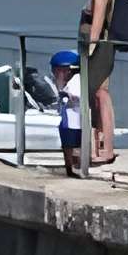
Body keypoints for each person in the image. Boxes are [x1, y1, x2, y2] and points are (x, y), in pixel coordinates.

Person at [77, 0, 121, 168]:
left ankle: (103, 149)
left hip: (99, 46)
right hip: (100, 44)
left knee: (98, 94)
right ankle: (99, 146)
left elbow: (98, 19)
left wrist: (91, 47)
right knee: (98, 95)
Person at [51, 49, 85, 178]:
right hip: (69, 120)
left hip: (74, 121)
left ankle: (73, 170)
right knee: (68, 146)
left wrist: (65, 94)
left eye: (58, 70)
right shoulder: (70, 81)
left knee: (72, 146)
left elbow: (76, 95)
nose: (55, 73)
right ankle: (70, 169)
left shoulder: (76, 80)